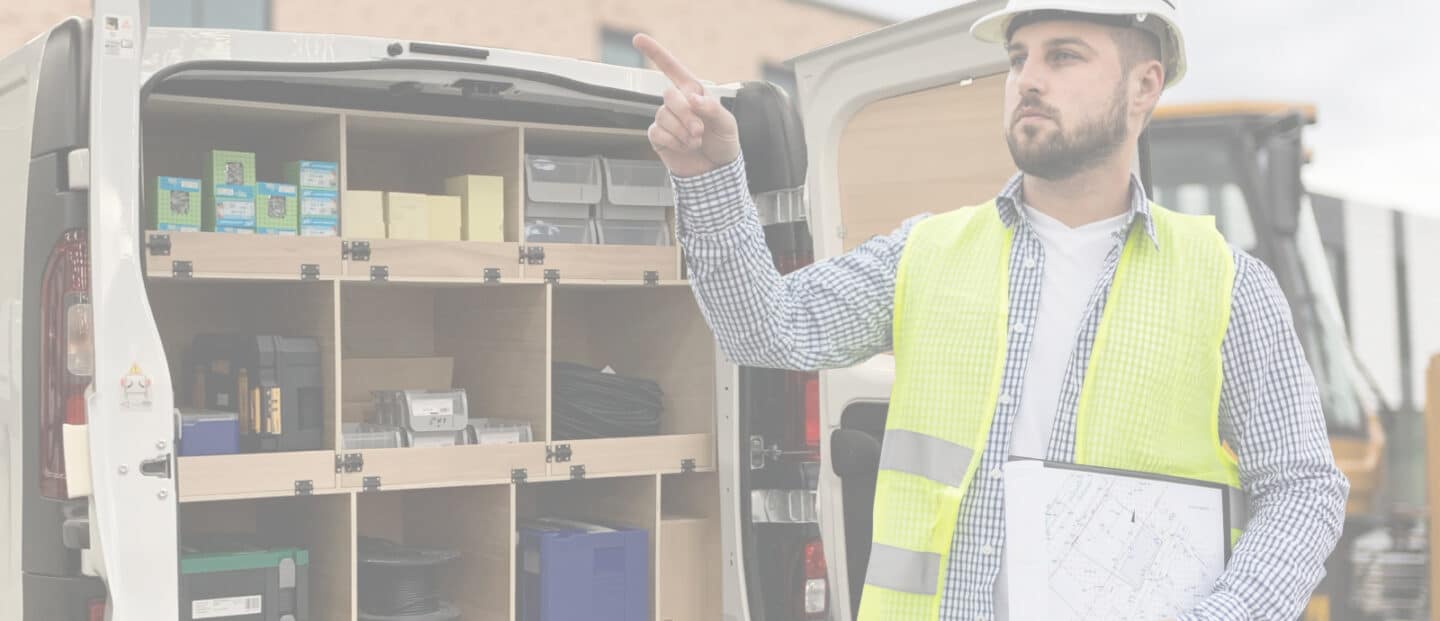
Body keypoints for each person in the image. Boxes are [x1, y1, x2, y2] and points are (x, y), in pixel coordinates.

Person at [633, 0, 1349, 618]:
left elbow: (1303, 488)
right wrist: (710, 178)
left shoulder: (1227, 284)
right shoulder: (926, 252)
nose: (1028, 79)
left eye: (1063, 56)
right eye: (1017, 58)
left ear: (1144, 86)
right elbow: (767, 329)